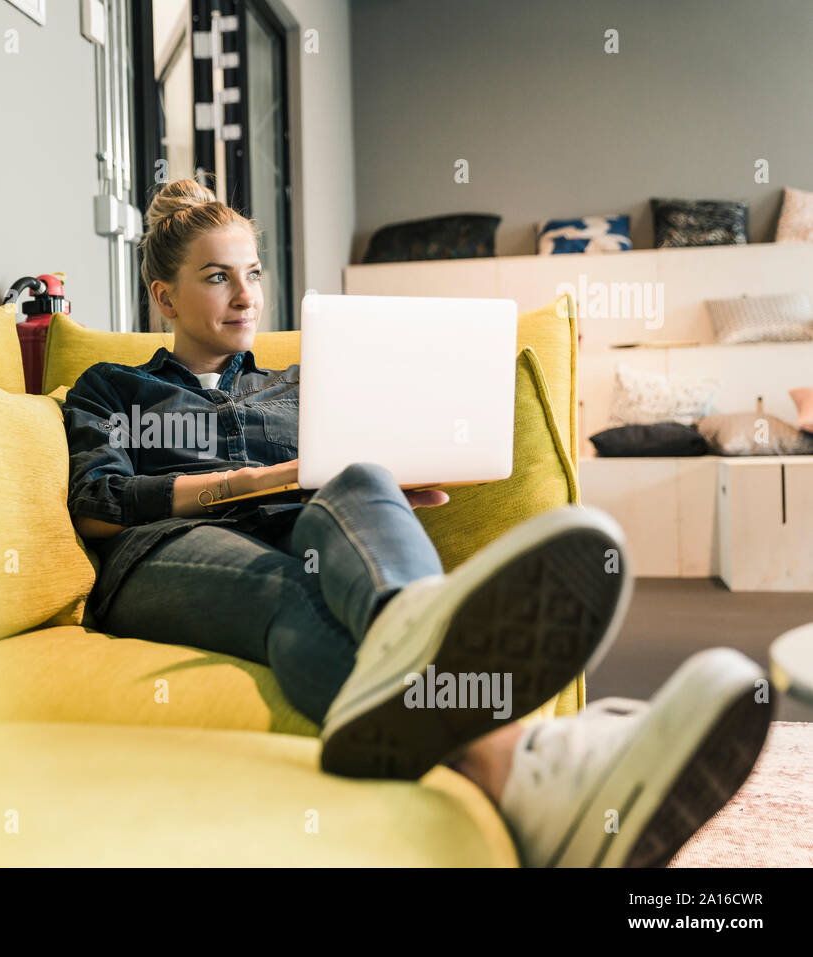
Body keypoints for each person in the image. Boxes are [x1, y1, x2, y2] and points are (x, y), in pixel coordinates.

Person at [62, 177, 772, 867]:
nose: (245, 294)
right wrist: (255, 480)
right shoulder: (114, 387)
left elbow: (347, 469)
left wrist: (395, 475)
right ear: (164, 296)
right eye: (217, 277)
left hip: (304, 535)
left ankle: (427, 639)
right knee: (291, 594)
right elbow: (99, 505)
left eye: (252, 271)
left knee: (363, 475)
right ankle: (534, 763)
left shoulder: (301, 381)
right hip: (165, 556)